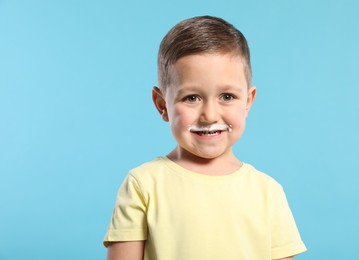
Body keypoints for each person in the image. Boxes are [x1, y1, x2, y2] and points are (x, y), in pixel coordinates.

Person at [103, 15, 307, 260]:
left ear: (248, 101)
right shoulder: (142, 185)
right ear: (162, 105)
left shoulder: (268, 192)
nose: (210, 115)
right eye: (191, 98)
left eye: (227, 96)